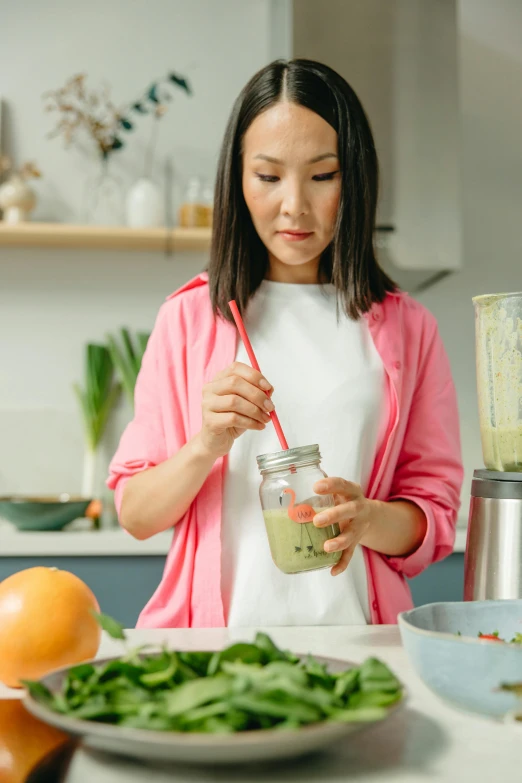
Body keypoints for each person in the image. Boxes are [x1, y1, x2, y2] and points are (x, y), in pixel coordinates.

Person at [107, 59, 463, 629]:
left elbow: (434, 521)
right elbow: (137, 514)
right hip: (216, 657)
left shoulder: (408, 327)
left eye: (323, 176)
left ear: (356, 178)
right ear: (237, 179)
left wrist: (367, 519)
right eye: (269, 177)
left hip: (360, 648)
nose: (294, 205)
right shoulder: (188, 318)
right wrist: (206, 444)